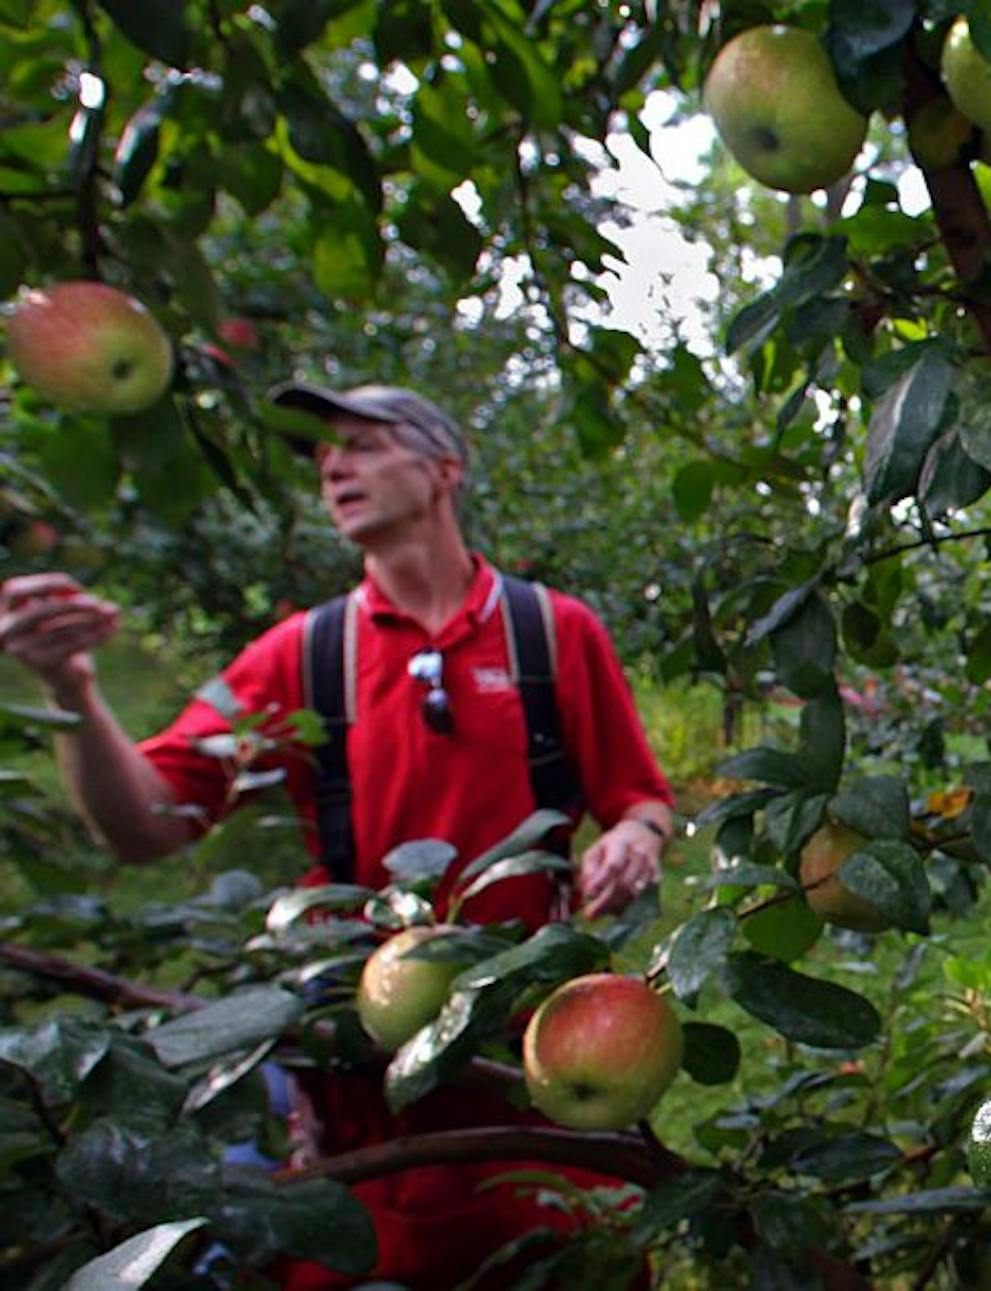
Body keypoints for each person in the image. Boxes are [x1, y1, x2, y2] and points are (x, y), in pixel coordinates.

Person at [0, 382, 675, 1288]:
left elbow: (640, 797)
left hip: (534, 1048)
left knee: (562, 1259)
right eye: (324, 452)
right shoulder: (302, 655)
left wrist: (636, 835)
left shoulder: (549, 632)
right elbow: (150, 825)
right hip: (366, 1066)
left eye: (363, 442)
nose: (332, 463)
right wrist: (73, 693)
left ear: (444, 468)